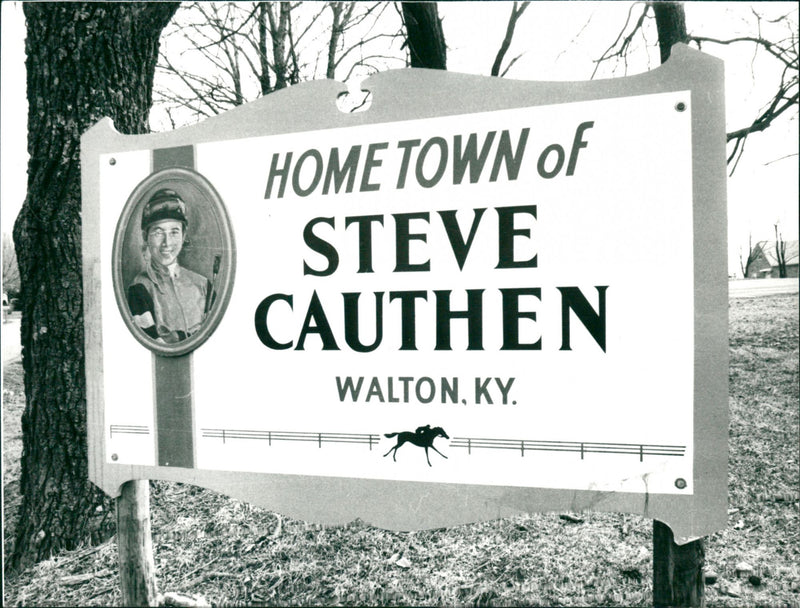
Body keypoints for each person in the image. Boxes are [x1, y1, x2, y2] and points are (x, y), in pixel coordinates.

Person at [127, 188, 212, 344]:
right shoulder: (139, 289)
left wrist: (179, 336)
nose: (167, 243)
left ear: (184, 235)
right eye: (158, 232)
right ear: (146, 237)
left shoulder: (204, 285)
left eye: (174, 232)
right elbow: (155, 344)